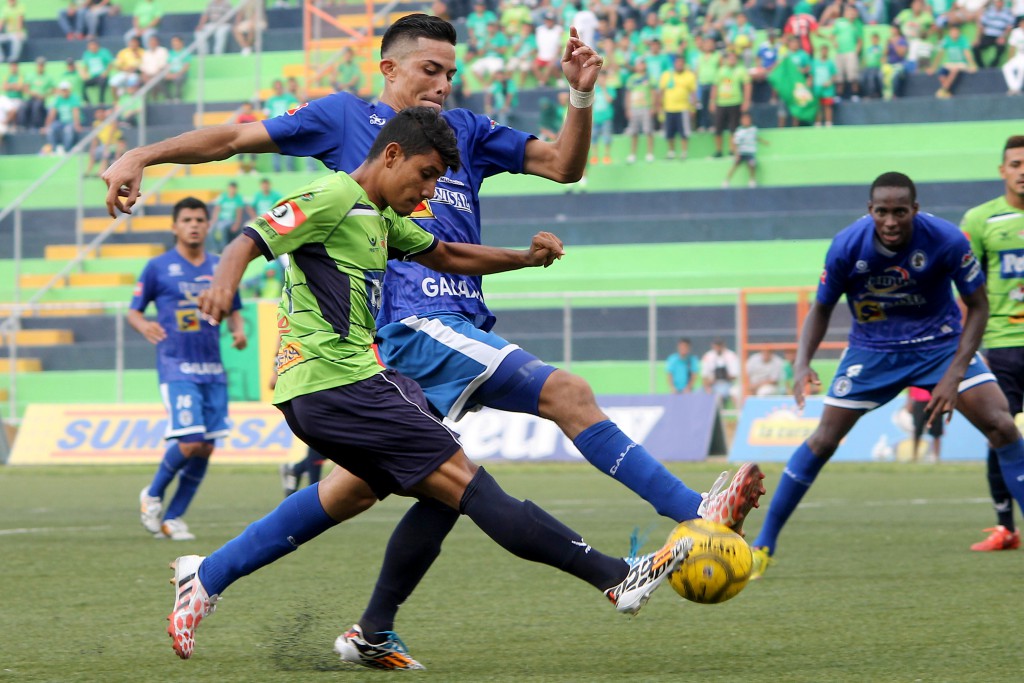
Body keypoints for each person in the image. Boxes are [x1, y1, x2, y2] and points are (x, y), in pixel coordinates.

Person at [102, 15, 765, 667]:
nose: (443, 84)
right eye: (430, 69)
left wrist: (579, 96)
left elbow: (561, 167)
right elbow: (231, 140)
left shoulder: (464, 132)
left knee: (379, 490)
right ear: (388, 69)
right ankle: (692, 514)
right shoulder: (342, 125)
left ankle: (280, 597)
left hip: (438, 332)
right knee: (563, 394)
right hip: (410, 328)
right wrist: (141, 155)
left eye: (450, 72)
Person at [168, 107, 692, 663]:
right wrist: (222, 287)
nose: (429, 191)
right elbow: (248, 240)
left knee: (431, 498)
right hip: (338, 382)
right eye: (426, 174)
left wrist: (524, 258)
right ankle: (616, 577)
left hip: (328, 389)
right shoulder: (333, 195)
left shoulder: (380, 217)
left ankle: (216, 579)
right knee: (473, 487)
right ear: (392, 154)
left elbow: (447, 254)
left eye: (439, 179)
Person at [749, 172, 1024, 578]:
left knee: (1001, 425)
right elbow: (822, 307)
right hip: (872, 350)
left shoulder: (947, 240)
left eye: (900, 212)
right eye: (882, 212)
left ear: (915, 209)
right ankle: (763, 546)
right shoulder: (846, 246)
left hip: (940, 346)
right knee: (824, 439)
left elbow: (979, 306)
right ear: (870, 211)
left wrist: (953, 375)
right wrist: (802, 362)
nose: (891, 221)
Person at [130, 197, 247, 542]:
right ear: (174, 227)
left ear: (208, 225)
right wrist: (144, 326)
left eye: (199, 219)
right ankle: (152, 494)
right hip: (176, 364)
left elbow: (233, 305)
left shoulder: (220, 265)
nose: (193, 225)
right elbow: (134, 310)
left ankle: (173, 518)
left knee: (206, 446)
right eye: (186, 220)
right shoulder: (157, 267)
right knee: (191, 440)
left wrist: (238, 330)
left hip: (212, 367)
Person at [961, 135, 1024, 552]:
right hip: (1002, 345)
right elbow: (964, 285)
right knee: (998, 431)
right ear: (1003, 170)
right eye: (1016, 164)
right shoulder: (981, 220)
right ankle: (1005, 527)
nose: (1023, 171)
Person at [710, 50, 751, 158]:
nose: (732, 60)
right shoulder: (721, 70)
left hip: (735, 102)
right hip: (721, 103)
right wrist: (712, 101)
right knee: (718, 128)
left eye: (734, 58)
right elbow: (715, 86)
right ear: (726, 59)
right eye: (730, 58)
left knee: (734, 128)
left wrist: (746, 101)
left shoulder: (741, 70)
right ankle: (718, 150)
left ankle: (732, 150)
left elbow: (747, 85)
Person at [657, 55, 696, 161]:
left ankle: (684, 152)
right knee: (669, 132)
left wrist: (693, 108)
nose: (679, 64)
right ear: (674, 64)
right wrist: (660, 106)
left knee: (684, 132)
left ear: (684, 64)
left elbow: (693, 93)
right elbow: (661, 92)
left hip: (683, 108)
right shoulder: (666, 75)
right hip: (668, 108)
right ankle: (671, 152)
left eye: (681, 63)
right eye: (677, 62)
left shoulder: (689, 76)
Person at [928, 23, 977, 99]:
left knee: (954, 69)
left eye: (956, 32)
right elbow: (939, 55)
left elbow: (967, 53)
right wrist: (933, 68)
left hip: (961, 64)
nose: (954, 34)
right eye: (952, 32)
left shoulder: (962, 40)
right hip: (951, 64)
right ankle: (948, 93)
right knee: (942, 76)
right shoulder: (947, 40)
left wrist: (972, 65)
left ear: (959, 32)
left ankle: (943, 90)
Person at [723, 112, 768, 188]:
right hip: (741, 153)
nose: (746, 121)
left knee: (752, 165)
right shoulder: (739, 131)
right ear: (741, 121)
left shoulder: (753, 129)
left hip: (750, 153)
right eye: (744, 119)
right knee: (734, 166)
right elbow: (735, 142)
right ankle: (727, 181)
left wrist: (764, 141)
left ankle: (752, 180)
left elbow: (755, 137)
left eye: (748, 119)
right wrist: (736, 153)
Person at [624, 60, 654, 163]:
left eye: (642, 64)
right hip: (634, 108)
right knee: (634, 132)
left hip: (646, 107)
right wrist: (628, 108)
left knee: (648, 131)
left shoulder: (649, 77)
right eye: (638, 64)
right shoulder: (631, 78)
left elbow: (653, 92)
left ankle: (650, 153)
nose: (640, 66)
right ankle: (632, 154)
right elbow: (628, 94)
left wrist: (653, 106)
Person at [42, 81, 83, 154]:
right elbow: (52, 114)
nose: (64, 92)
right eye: (63, 90)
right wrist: (47, 126)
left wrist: (77, 125)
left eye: (66, 90)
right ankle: (54, 150)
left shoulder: (74, 98)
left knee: (68, 130)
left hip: (72, 122)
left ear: (69, 90)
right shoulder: (58, 99)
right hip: (62, 122)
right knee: (50, 130)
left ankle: (66, 149)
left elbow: (75, 113)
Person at [972, 0, 1015, 68]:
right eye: (997, 2)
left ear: (1003, 3)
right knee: (975, 47)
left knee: (1001, 47)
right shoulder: (989, 10)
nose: (999, 3)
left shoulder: (1007, 12)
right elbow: (982, 25)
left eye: (1000, 2)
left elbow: (1009, 27)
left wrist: (1003, 36)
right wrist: (978, 38)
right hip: (988, 35)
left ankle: (992, 67)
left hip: (999, 36)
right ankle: (981, 67)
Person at [84, 107, 125, 176]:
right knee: (93, 152)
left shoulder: (111, 121)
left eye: (101, 113)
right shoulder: (96, 124)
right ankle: (88, 171)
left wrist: (106, 147)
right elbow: (95, 138)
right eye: (97, 113)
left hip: (115, 144)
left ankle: (101, 171)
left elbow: (111, 136)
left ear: (104, 113)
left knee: (105, 153)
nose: (99, 115)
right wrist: (92, 148)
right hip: (104, 145)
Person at [208, 181, 246, 253]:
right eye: (231, 188)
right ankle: (216, 249)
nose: (232, 190)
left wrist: (237, 223)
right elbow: (217, 209)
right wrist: (213, 220)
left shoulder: (238, 198)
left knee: (221, 228)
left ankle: (225, 250)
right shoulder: (223, 196)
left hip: (231, 220)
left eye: (233, 188)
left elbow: (239, 212)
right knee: (210, 229)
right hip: (220, 220)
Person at [702, 338, 741, 407]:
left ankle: (719, 412)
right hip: (712, 384)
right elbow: (704, 376)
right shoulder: (708, 356)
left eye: (720, 346)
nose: (718, 348)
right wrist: (708, 385)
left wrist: (725, 375)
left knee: (721, 394)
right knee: (699, 393)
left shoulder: (731, 356)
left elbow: (734, 376)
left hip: (726, 384)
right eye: (716, 346)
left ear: (723, 346)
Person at [907, 386, 943, 461]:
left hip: (935, 399)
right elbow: (910, 386)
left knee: (937, 431)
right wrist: (909, 401)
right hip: (919, 400)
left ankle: (936, 457)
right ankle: (914, 456)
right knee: (917, 430)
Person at [80, 38, 113, 105]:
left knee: (102, 81)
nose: (91, 47)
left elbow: (110, 64)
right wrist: (85, 75)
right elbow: (85, 67)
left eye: (92, 45)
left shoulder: (104, 52)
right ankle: (87, 102)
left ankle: (101, 101)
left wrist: (105, 73)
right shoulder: (87, 54)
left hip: (102, 76)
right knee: (83, 84)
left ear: (97, 45)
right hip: (93, 77)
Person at [0, 0, 26, 64]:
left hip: (19, 33)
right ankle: (1, 58)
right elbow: (2, 22)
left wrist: (19, 32)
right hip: (9, 34)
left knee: (17, 39)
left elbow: (20, 20)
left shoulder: (20, 7)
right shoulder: (5, 8)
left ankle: (13, 59)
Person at [1003, 17, 1024, 95]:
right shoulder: (1016, 32)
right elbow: (1012, 46)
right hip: (1019, 55)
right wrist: (1010, 59)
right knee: (1006, 67)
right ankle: (1014, 88)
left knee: (1022, 68)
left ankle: (1016, 88)